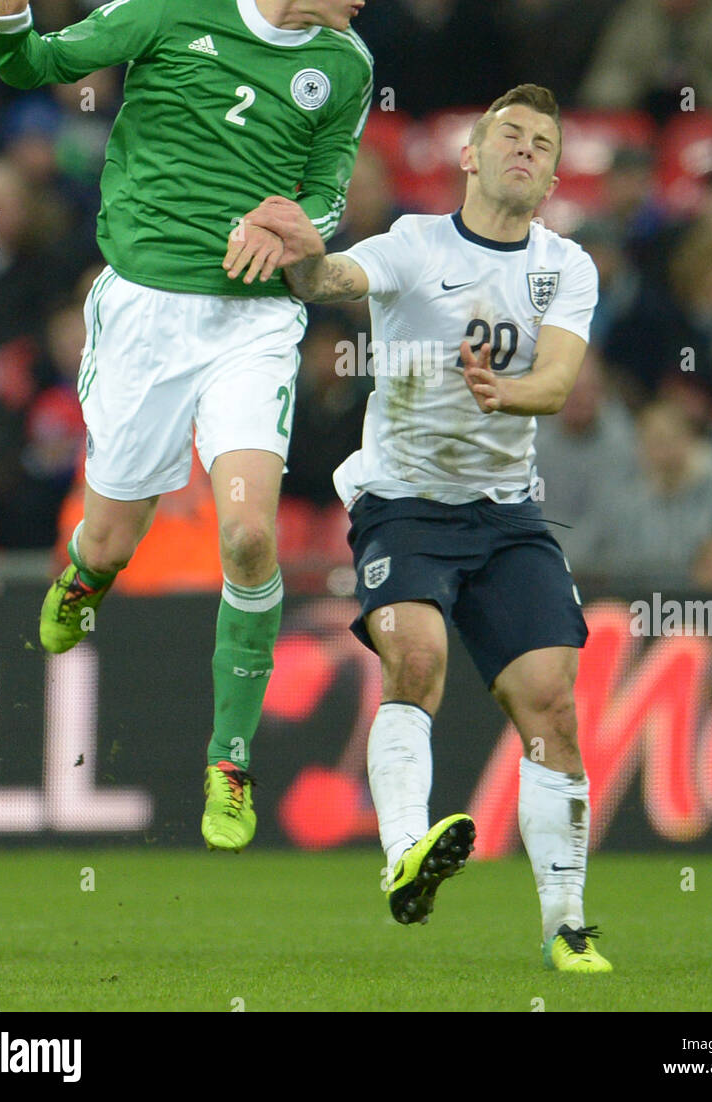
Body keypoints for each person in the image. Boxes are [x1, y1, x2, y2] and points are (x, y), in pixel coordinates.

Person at [0, 0, 396, 853]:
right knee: (115, 535)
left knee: (249, 537)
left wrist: (298, 226)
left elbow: (326, 203)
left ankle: (230, 759)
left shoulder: (344, 67)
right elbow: (38, 63)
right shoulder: (178, 1)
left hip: (252, 326)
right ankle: (83, 577)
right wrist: (10, 20)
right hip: (145, 318)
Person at [246, 84, 611, 972]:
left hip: (506, 514)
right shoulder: (415, 244)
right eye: (509, 136)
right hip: (403, 501)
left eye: (541, 143)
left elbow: (558, 384)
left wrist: (504, 391)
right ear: (470, 156)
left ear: (555, 173)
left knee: (553, 708)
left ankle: (566, 925)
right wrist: (302, 252)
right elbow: (334, 279)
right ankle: (405, 853)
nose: (525, 150)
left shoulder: (567, 265)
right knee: (416, 659)